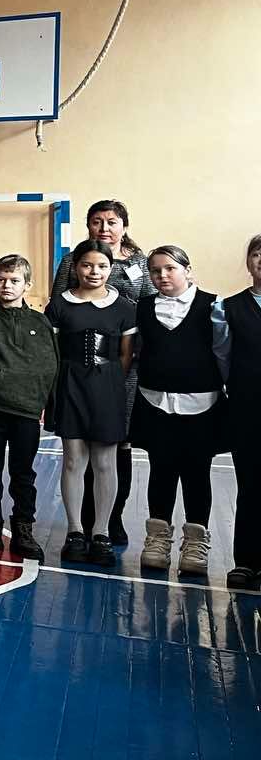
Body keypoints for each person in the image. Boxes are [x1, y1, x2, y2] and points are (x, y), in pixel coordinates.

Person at [49, 198, 149, 545]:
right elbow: (60, 308)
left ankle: (109, 523)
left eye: (112, 222)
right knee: (76, 456)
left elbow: (148, 307)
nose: (104, 228)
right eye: (97, 221)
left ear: (124, 226)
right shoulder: (70, 264)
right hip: (75, 370)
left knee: (115, 449)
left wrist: (120, 371)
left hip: (119, 370)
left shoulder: (140, 263)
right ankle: (80, 525)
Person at [129, 245, 230, 575]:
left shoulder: (212, 305)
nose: (162, 276)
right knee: (160, 470)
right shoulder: (143, 308)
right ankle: (158, 539)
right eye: (155, 271)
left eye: (170, 268)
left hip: (202, 405)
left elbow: (223, 352)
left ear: (187, 270)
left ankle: (196, 543)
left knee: (197, 473)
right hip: (155, 402)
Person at [44, 240, 137, 566]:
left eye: (101, 266)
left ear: (110, 268)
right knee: (73, 460)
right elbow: (51, 352)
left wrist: (108, 381)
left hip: (107, 387)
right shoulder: (59, 305)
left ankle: (101, 533)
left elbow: (125, 355)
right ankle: (75, 531)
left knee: (106, 462)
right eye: (87, 265)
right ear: (76, 267)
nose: (94, 272)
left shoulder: (124, 307)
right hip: (70, 386)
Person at [0, 255, 59, 562]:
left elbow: (50, 366)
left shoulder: (40, 322)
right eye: (1, 280)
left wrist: (45, 407)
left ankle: (23, 530)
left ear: (27, 285)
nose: (7, 285)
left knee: (23, 474)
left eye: (15, 280)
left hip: (27, 413)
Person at [223, 236, 261, 590]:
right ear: (248, 261)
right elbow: (222, 357)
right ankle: (246, 561)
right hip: (247, 410)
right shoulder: (230, 308)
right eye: (257, 253)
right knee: (250, 484)